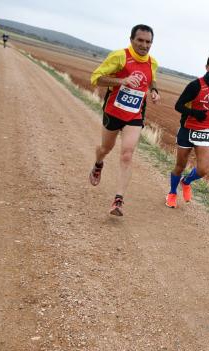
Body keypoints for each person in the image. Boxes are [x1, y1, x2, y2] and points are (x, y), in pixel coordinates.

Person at [88, 24, 160, 216]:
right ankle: (98, 163)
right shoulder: (119, 56)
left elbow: (151, 78)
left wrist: (154, 90)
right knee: (106, 148)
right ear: (131, 40)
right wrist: (122, 81)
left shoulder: (152, 62)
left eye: (148, 42)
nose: (144, 45)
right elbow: (96, 78)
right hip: (113, 110)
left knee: (127, 154)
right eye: (140, 40)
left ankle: (118, 200)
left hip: (135, 114)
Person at [165, 52, 209, 208]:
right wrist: (195, 113)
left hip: (205, 132)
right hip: (187, 130)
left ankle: (186, 181)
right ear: (207, 67)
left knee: (203, 169)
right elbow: (178, 105)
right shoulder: (195, 86)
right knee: (180, 166)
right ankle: (172, 193)